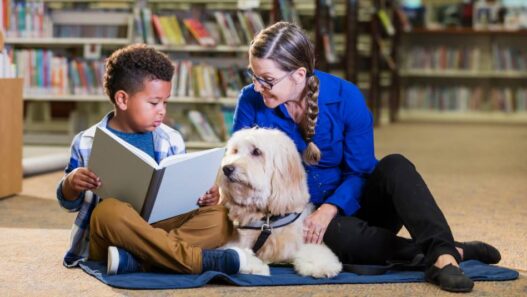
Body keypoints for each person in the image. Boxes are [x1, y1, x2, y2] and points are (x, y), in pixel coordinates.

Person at [232, 22, 501, 293]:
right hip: (301, 220)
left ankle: (443, 259)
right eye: (253, 76)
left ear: (299, 74)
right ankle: (449, 252)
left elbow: (359, 172)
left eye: (266, 79)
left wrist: (331, 207)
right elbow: (237, 159)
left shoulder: (346, 97)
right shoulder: (249, 101)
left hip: (357, 205)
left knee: (396, 165)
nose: (257, 87)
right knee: (338, 235)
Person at [56, 44, 249, 276]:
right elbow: (69, 203)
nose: (162, 111)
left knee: (221, 217)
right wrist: (70, 184)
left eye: (165, 103)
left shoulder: (172, 139)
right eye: (154, 103)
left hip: (159, 227)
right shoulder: (87, 141)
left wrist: (207, 196)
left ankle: (137, 261)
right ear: (122, 100)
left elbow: (182, 198)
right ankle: (194, 260)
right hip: (112, 233)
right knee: (108, 211)